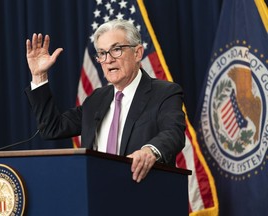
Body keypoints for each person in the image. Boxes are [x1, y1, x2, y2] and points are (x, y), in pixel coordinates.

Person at [25, 19, 186, 183]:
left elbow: (173, 133)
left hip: (141, 195)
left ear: (137, 53)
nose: (108, 60)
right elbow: (53, 128)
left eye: (116, 50)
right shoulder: (97, 99)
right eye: (102, 53)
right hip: (96, 194)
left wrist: (149, 151)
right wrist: (39, 76)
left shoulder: (164, 93)